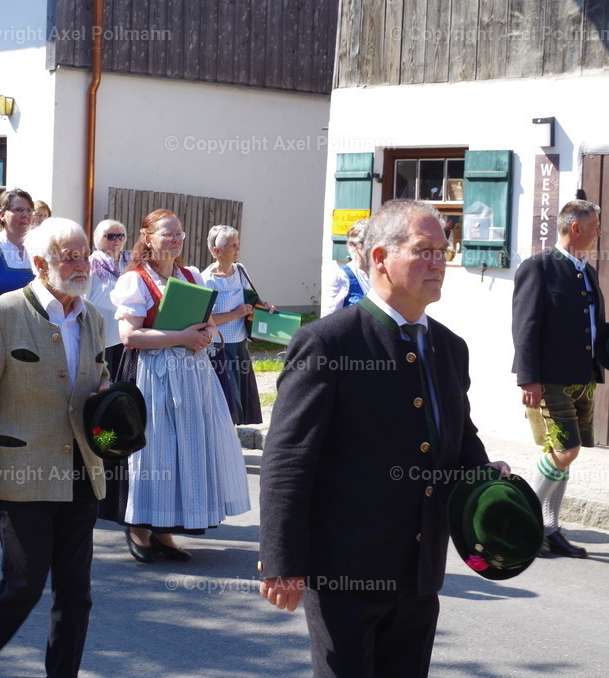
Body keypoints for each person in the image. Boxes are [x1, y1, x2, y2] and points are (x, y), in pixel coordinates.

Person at [258, 199, 510, 678]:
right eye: (424, 251)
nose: (439, 263)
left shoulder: (450, 348)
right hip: (344, 568)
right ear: (380, 258)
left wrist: (484, 475)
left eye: (443, 251)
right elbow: (289, 457)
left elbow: (457, 435)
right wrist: (281, 559)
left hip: (419, 568)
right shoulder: (329, 342)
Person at [0, 218, 110, 678]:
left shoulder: (93, 317)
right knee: (23, 583)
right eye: (70, 256)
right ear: (40, 264)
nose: (82, 265)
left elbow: (96, 385)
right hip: (21, 472)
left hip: (82, 469)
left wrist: (110, 406)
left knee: (75, 591)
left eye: (84, 254)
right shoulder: (4, 313)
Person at [107, 209, 250, 562]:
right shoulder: (135, 280)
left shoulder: (191, 277)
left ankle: (165, 530)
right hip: (152, 372)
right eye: (168, 234)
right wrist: (180, 336)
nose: (175, 240)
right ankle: (140, 527)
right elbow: (130, 335)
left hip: (192, 373)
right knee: (154, 450)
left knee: (183, 449)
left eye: (179, 235)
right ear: (148, 238)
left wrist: (207, 333)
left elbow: (208, 321)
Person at [512, 199, 606, 559]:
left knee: (561, 454)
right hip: (548, 378)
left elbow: (593, 325)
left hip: (583, 377)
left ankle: (551, 530)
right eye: (595, 226)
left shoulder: (588, 271)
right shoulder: (538, 267)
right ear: (576, 229)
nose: (599, 233)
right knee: (567, 450)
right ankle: (526, 520)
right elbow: (525, 325)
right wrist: (528, 378)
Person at [201, 224, 263, 425]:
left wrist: (264, 306)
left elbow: (252, 300)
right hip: (219, 348)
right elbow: (204, 320)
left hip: (240, 346)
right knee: (226, 402)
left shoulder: (241, 271)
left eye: (237, 244)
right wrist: (235, 313)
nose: (238, 249)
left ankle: (232, 445)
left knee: (239, 402)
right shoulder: (206, 280)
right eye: (232, 245)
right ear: (216, 251)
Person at [86, 218, 129, 377]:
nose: (117, 240)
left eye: (121, 236)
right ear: (98, 238)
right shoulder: (90, 264)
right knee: (104, 378)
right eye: (110, 236)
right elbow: (82, 300)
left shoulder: (132, 263)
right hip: (101, 334)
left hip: (128, 333)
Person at [321, 220, 370, 316]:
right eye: (368, 243)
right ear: (353, 245)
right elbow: (329, 320)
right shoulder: (341, 277)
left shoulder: (380, 275)